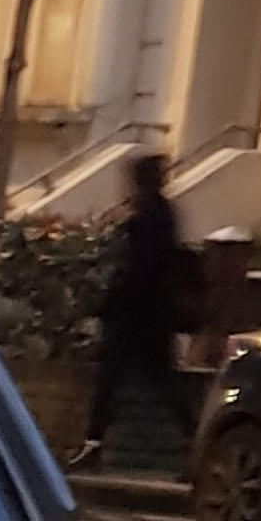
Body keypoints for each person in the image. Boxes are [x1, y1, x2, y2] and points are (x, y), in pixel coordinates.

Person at [72, 155, 200, 471]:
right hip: (150, 315)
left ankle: (95, 443)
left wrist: (109, 301)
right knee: (155, 381)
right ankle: (194, 440)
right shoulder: (160, 214)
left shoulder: (146, 217)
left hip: (139, 316)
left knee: (117, 378)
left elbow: (137, 269)